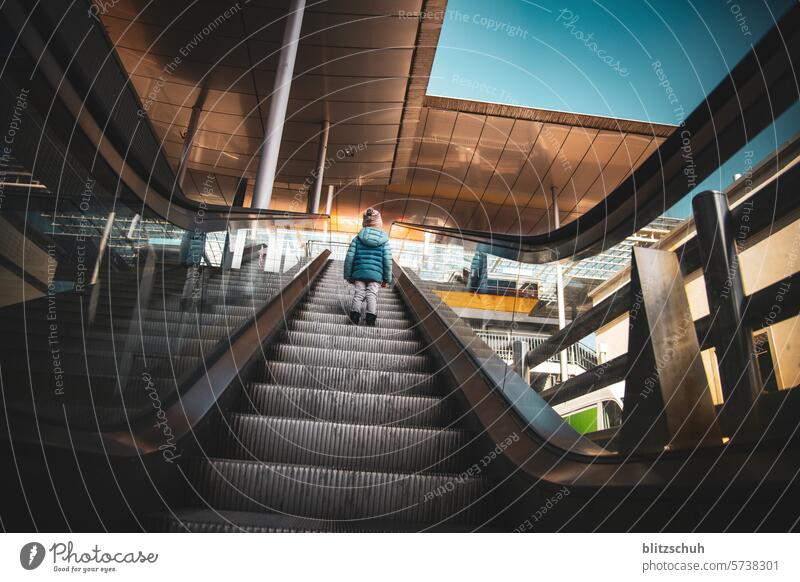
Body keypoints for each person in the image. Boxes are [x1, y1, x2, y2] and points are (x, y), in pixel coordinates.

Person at [343, 208, 393, 326]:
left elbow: (349, 258)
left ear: (364, 223)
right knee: (372, 294)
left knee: (359, 294)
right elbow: (387, 261)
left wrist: (348, 275)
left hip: (359, 273)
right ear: (379, 223)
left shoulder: (357, 238)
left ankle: (354, 317)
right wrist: (386, 279)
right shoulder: (384, 241)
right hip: (376, 275)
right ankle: (370, 319)